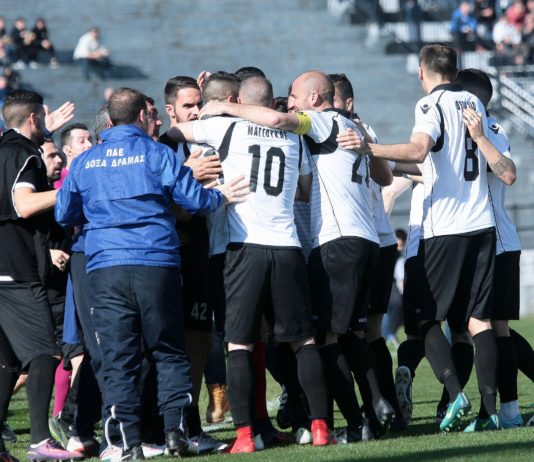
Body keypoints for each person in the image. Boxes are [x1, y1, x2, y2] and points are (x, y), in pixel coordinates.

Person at [198, 70, 397, 442]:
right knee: (353, 334)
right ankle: (373, 408)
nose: (289, 104)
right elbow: (384, 177)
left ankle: (353, 421)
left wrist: (222, 108)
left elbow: (277, 121)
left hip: (330, 241)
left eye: (293, 96)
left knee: (321, 339)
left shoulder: (316, 123)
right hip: (368, 240)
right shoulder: (355, 126)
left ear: (314, 99)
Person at [55, 87, 248, 460]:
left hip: (106, 266)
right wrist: (221, 195)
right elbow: (195, 200)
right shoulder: (158, 153)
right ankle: (174, 432)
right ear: (142, 116)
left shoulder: (85, 161)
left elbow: (65, 214)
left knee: (119, 356)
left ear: (109, 120)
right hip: (155, 263)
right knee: (168, 350)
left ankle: (127, 442)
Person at [336, 43, 502, 432]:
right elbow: (436, 161)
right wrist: (393, 165)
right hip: (482, 225)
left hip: (443, 229)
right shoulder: (474, 105)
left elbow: (420, 148)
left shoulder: (430, 104)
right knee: (475, 323)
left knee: (424, 320)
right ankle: (491, 412)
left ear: (422, 73)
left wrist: (369, 147)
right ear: (456, 72)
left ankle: (454, 393)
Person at [172, 74, 335, 452]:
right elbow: (304, 191)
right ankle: (320, 427)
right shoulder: (294, 136)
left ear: (239, 101)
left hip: (243, 247)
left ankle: (246, 436)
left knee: (239, 344)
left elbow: (174, 133)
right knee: (303, 340)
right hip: (287, 246)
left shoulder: (224, 127)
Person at [0, 89, 80, 462]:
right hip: (18, 270)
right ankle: (39, 442)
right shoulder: (26, 155)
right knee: (45, 352)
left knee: (7, 363)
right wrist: (71, 189)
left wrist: (47, 131)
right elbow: (25, 204)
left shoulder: (5, 148)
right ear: (34, 118)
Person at [456, 68, 524, 431]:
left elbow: (508, 174)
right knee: (495, 329)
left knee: (490, 328)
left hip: (495, 243)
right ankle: (505, 412)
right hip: (481, 241)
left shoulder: (491, 129)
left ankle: (500, 411)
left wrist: (480, 136)